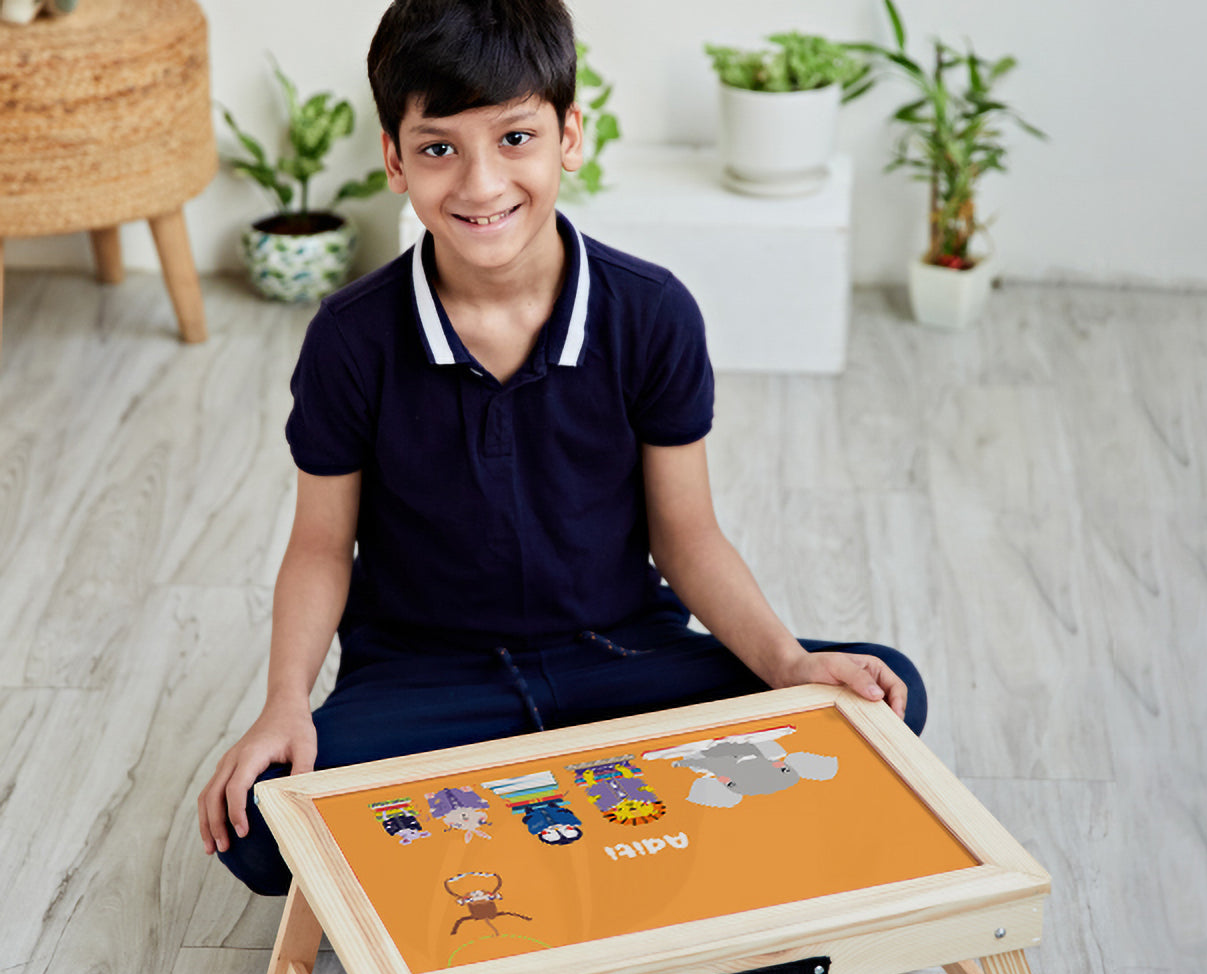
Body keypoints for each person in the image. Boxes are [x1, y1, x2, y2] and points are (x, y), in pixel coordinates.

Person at [197, 0, 927, 895]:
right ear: (393, 159)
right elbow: (319, 545)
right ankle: (604, 825)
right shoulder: (351, 338)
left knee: (879, 693)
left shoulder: (651, 313)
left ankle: (533, 828)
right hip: (430, 682)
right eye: (438, 148)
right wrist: (282, 704)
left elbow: (687, 535)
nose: (478, 184)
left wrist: (786, 665)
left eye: (514, 138)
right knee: (260, 819)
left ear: (568, 135)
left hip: (620, 659)